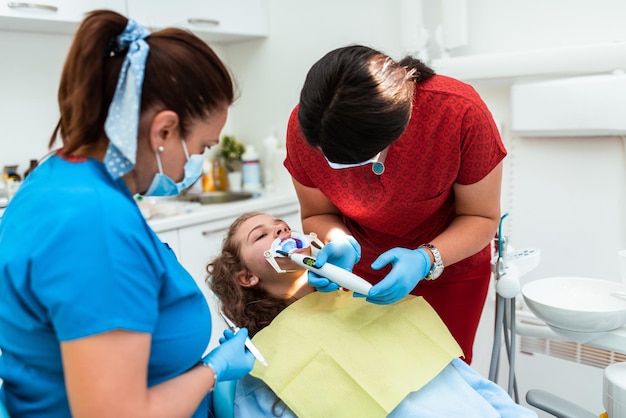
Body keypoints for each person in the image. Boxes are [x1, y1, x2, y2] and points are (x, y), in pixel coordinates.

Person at [0, 10, 255, 418]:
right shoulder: (94, 224)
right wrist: (213, 370)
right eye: (203, 148)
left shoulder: (57, 175)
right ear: (164, 131)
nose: (196, 168)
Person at [284, 45, 507, 364]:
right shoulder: (309, 128)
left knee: (442, 378)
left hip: (450, 272)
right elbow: (318, 212)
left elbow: (481, 216)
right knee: (370, 373)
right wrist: (337, 242)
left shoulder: (458, 112)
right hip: (360, 276)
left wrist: (425, 259)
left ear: (396, 130)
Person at [207, 212, 536, 417]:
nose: (279, 231)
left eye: (282, 226)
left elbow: (465, 382)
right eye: (261, 235)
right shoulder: (263, 361)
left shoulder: (364, 303)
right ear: (246, 277)